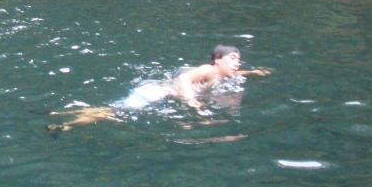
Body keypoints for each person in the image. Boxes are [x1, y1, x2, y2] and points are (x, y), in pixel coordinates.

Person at [48, 44, 271, 132]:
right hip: (154, 93)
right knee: (116, 113)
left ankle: (62, 115)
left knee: (115, 109)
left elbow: (234, 73)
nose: (237, 63)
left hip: (156, 92)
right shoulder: (208, 70)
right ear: (217, 59)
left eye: (239, 60)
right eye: (233, 59)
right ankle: (68, 125)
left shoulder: (218, 72)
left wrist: (251, 73)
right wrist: (192, 102)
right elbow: (184, 78)